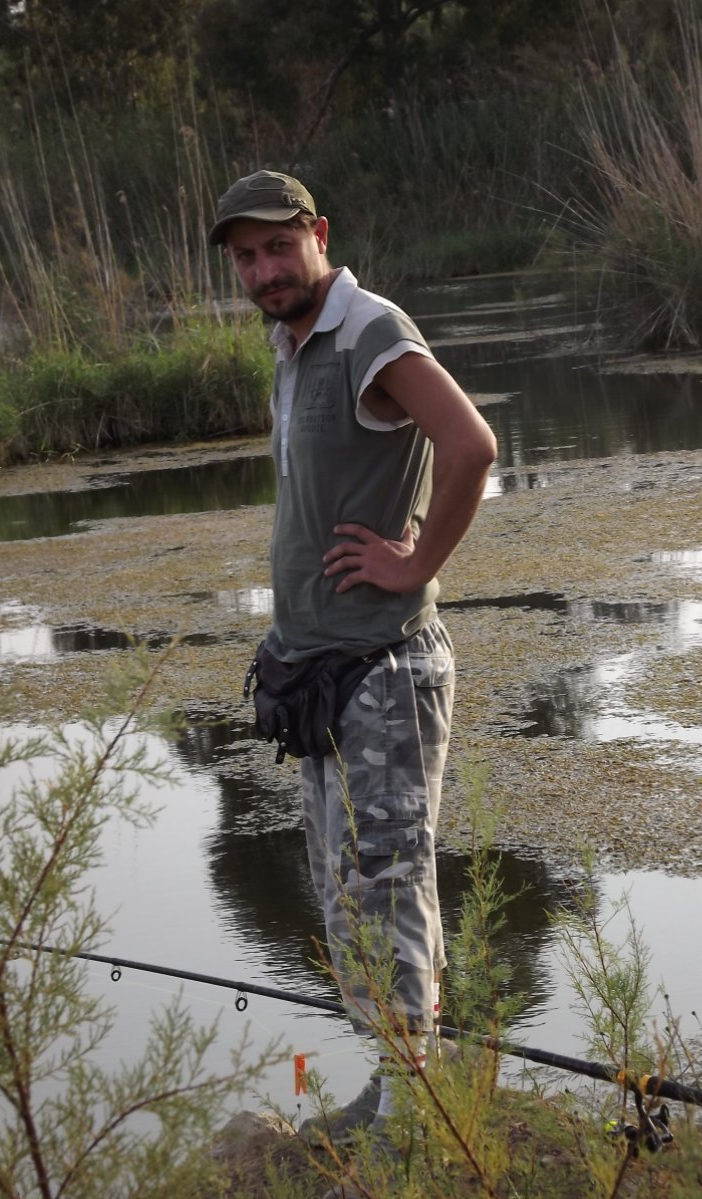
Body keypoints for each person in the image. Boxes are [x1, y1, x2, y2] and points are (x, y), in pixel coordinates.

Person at [208, 171, 497, 1171]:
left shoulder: (369, 328)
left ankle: (412, 1127)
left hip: (384, 668)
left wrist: (414, 563)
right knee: (344, 900)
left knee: (387, 887)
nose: (263, 272)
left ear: (318, 234)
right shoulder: (293, 346)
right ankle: (397, 1084)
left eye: (277, 248)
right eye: (245, 258)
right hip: (320, 674)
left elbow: (470, 444)